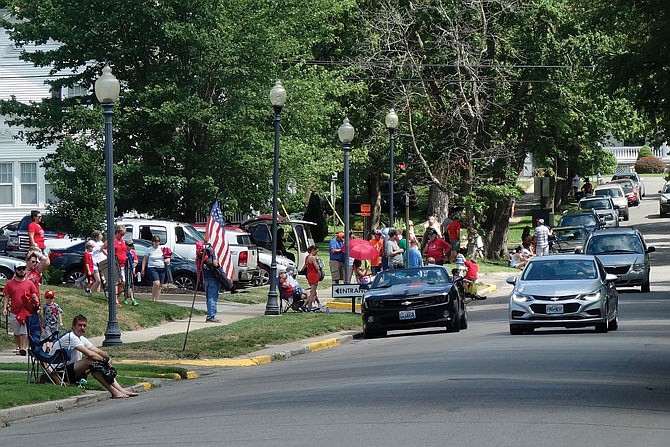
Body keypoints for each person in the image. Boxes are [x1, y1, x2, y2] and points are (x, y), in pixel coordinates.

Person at [50, 315, 139, 398]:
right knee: (91, 361)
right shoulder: (71, 337)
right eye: (79, 325)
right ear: (73, 326)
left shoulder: (81, 338)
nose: (82, 328)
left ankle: (119, 390)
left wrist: (108, 358)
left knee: (95, 366)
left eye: (84, 326)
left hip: (70, 371)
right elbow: (89, 354)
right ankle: (115, 392)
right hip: (58, 373)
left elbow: (98, 351)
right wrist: (104, 361)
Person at [2, 264, 39, 355]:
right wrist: (4, 308)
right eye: (19, 269)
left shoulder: (29, 283)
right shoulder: (10, 283)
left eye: (23, 269)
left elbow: (34, 295)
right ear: (15, 270)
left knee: (24, 331)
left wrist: (37, 306)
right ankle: (19, 347)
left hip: (26, 311)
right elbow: (6, 297)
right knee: (17, 332)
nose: (22, 271)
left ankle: (23, 348)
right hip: (14, 311)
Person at [199, 242, 223, 322]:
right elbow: (215, 264)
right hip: (213, 277)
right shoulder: (212, 252)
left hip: (206, 277)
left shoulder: (203, 252)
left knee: (209, 297)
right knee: (212, 297)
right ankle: (211, 316)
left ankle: (210, 314)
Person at [142, 236, 166, 302]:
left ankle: (156, 300)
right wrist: (143, 269)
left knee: (160, 285)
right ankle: (153, 299)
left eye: (158, 241)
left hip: (161, 268)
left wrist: (167, 259)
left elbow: (167, 256)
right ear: (152, 242)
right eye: (155, 241)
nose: (157, 243)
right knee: (156, 283)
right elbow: (145, 259)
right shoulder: (149, 249)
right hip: (152, 268)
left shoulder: (162, 249)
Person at [304, 245, 321, 311]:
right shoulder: (313, 258)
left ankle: (306, 305)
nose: (316, 253)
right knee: (312, 293)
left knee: (313, 292)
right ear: (313, 250)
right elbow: (317, 267)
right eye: (316, 251)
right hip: (314, 275)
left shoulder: (307, 257)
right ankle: (309, 307)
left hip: (309, 274)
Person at [124, 240, 139, 306]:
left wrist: (133, 264)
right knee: (126, 284)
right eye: (129, 245)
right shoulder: (124, 252)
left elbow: (136, 261)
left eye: (131, 245)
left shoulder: (133, 252)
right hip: (125, 269)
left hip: (131, 269)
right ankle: (130, 298)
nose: (131, 247)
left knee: (130, 284)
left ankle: (130, 298)